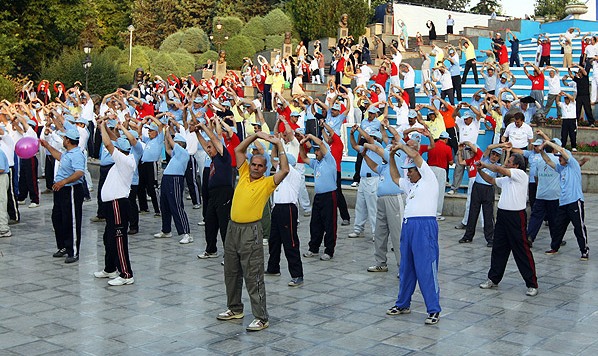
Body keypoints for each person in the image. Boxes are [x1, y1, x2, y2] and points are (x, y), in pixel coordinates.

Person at [216, 131, 289, 332]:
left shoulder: (267, 183)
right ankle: (234, 308)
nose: (256, 168)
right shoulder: (244, 173)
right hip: (232, 230)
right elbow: (238, 149)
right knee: (230, 271)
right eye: (254, 164)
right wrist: (256, 135)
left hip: (251, 231)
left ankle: (261, 316)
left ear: (265, 169)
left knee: (253, 274)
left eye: (259, 166)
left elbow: (284, 170)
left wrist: (278, 144)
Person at [386, 141, 441, 325]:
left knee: (426, 268)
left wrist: (401, 147)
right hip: (409, 227)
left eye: (410, 170)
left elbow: (417, 157)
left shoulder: (429, 178)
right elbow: (394, 178)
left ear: (418, 170)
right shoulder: (411, 186)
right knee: (406, 268)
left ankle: (433, 309)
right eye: (407, 171)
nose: (407, 174)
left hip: (424, 227)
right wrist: (392, 157)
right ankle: (403, 303)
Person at [478, 153, 538, 297]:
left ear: (516, 165)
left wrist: (485, 164)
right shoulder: (507, 179)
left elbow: (501, 170)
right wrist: (480, 171)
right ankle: (493, 278)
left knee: (521, 250)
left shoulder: (520, 174)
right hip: (503, 216)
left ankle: (532, 284)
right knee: (499, 248)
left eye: (509, 161)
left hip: (516, 217)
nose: (506, 163)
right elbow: (492, 180)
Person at [93, 121, 136, 286]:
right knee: (108, 237)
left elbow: (108, 143)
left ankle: (126, 274)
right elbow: (115, 140)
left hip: (118, 203)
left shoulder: (125, 161)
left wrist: (103, 127)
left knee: (118, 238)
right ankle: (110, 267)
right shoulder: (124, 157)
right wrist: (107, 128)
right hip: (111, 204)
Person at [538, 133, 590, 261]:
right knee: (558, 226)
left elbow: (561, 150)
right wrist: (541, 151)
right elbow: (548, 161)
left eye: (560, 157)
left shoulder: (573, 166)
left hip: (575, 201)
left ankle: (584, 250)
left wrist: (547, 142)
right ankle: (554, 247)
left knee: (578, 227)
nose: (559, 158)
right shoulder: (561, 169)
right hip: (563, 202)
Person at [40, 129, 85, 263]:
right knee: (57, 218)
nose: (63, 140)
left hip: (70, 189)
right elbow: (60, 156)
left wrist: (64, 182)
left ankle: (74, 251)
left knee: (71, 220)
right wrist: (47, 146)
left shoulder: (77, 154)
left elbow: (79, 172)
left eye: (65, 138)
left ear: (69, 140)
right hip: (60, 189)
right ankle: (64, 246)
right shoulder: (68, 153)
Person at [265, 143, 304, 287]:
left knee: (290, 242)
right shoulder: (280, 172)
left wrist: (280, 145)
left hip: (288, 209)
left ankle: (297, 274)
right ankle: (273, 267)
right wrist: (275, 142)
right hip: (277, 209)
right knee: (274, 240)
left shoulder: (292, 173)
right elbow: (272, 159)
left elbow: (281, 162)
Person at [459, 143, 507, 247]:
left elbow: (505, 167)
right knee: (473, 212)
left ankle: (490, 238)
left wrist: (507, 152)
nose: (494, 156)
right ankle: (468, 236)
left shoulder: (497, 166)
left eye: (497, 155)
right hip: (477, 187)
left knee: (488, 215)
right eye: (493, 154)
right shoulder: (484, 159)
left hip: (488, 189)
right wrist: (503, 144)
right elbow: (489, 147)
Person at [300, 134, 337, 260]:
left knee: (329, 224)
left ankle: (329, 250)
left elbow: (321, 144)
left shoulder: (330, 160)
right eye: (315, 150)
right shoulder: (316, 163)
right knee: (315, 223)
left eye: (317, 150)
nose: (316, 152)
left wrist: (310, 136)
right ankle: (313, 248)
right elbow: (304, 157)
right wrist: (301, 145)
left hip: (329, 196)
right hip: (318, 197)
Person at [153, 131, 192, 244]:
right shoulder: (176, 154)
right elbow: (167, 145)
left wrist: (167, 130)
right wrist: (166, 136)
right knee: (164, 205)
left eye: (176, 142)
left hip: (175, 179)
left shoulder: (184, 153)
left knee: (176, 205)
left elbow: (170, 142)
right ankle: (166, 230)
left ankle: (186, 233)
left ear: (180, 144)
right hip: (167, 179)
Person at [419, 130, 453, 220]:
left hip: (430, 169)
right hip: (441, 170)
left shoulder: (432, 145)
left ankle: (426, 210)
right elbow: (451, 162)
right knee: (440, 191)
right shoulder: (447, 148)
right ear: (445, 139)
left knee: (428, 191)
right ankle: (437, 213)